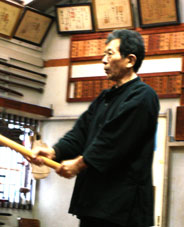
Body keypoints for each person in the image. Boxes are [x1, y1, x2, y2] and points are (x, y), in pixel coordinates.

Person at [30, 29, 160, 227]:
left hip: (122, 209)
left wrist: (80, 164)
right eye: (103, 54)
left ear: (130, 60)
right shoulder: (104, 98)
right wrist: (53, 151)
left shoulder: (143, 97)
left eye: (110, 53)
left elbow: (113, 141)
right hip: (94, 203)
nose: (103, 60)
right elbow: (80, 134)